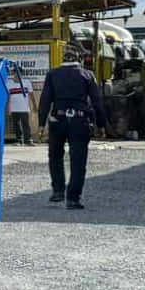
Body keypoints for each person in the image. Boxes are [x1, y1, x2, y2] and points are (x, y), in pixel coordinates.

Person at [39, 53, 107, 209]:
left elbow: (45, 99)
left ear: (62, 60)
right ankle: (73, 198)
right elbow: (97, 101)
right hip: (80, 121)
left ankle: (58, 191)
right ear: (80, 60)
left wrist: (41, 124)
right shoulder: (87, 75)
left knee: (55, 156)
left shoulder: (52, 74)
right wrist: (101, 124)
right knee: (78, 160)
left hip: (58, 120)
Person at [5, 61, 34, 144]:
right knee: (16, 125)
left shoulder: (27, 82)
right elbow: (8, 97)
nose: (17, 75)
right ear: (13, 74)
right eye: (15, 73)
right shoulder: (9, 84)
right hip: (14, 109)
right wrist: (8, 108)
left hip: (24, 108)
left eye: (19, 73)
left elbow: (31, 95)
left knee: (26, 125)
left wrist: (34, 107)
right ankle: (19, 140)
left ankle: (28, 140)